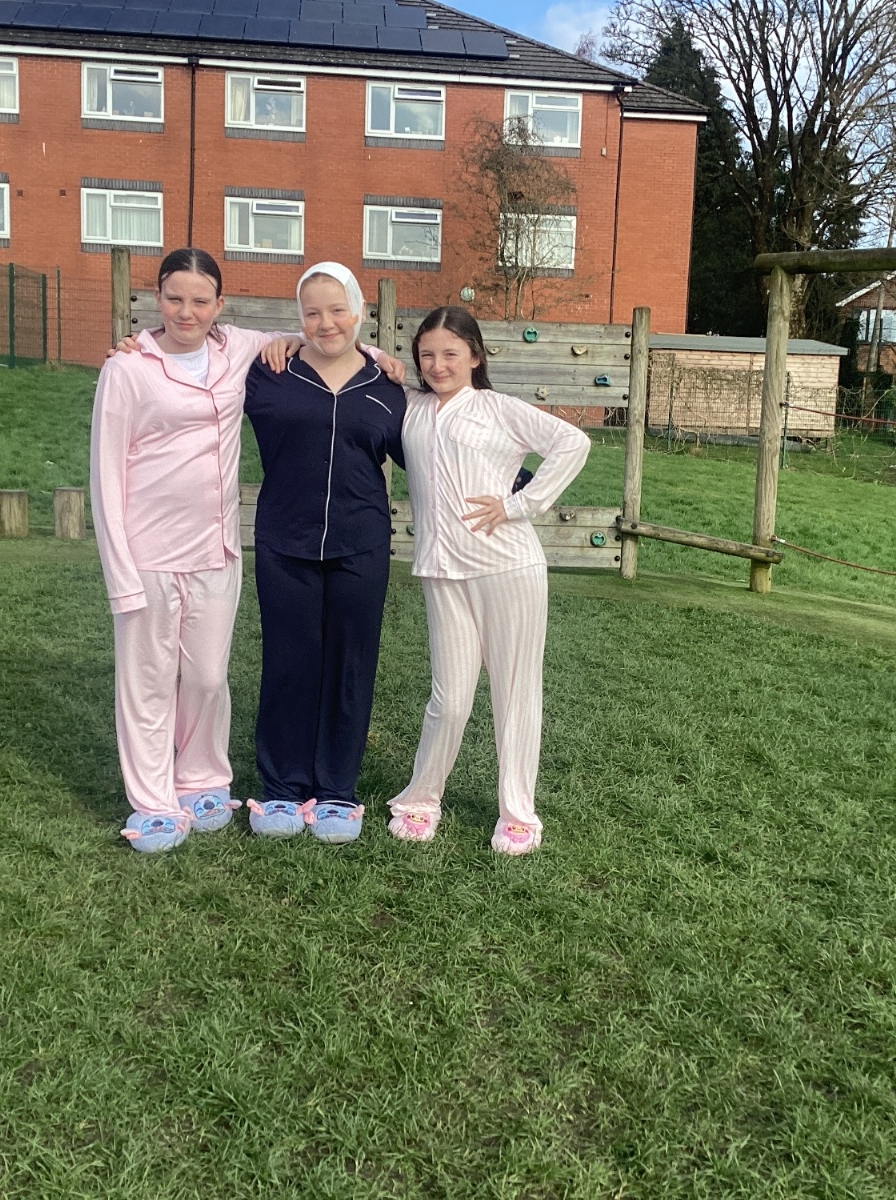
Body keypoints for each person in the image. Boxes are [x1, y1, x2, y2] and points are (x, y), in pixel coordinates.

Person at [91, 248, 400, 853]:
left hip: (216, 549)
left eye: (199, 300)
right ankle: (153, 803)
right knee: (149, 680)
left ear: (220, 305)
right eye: (174, 298)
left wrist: (375, 355)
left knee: (208, 678)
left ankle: (202, 781)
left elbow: (322, 337)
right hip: (150, 549)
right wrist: (119, 571)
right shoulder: (129, 367)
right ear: (157, 299)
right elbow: (105, 473)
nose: (186, 311)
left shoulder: (240, 350)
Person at [386, 307, 590, 855]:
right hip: (441, 570)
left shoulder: (498, 408)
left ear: (475, 356)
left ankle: (518, 814)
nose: (437, 365)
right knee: (449, 698)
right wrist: (375, 355)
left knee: (515, 693)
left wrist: (520, 505)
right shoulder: (411, 407)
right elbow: (369, 367)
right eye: (427, 354)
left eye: (450, 353)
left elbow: (573, 443)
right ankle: (421, 799)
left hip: (509, 568)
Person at [242, 263, 406, 845]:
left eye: (337, 309)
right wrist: (137, 350)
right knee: (289, 662)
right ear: (299, 318)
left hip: (361, 545)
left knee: (349, 666)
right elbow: (203, 356)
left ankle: (337, 788)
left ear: (358, 311)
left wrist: (514, 485)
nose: (325, 322)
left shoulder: (386, 387)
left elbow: (438, 450)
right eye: (312, 312)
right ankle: (283, 787)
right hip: (285, 542)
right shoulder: (269, 372)